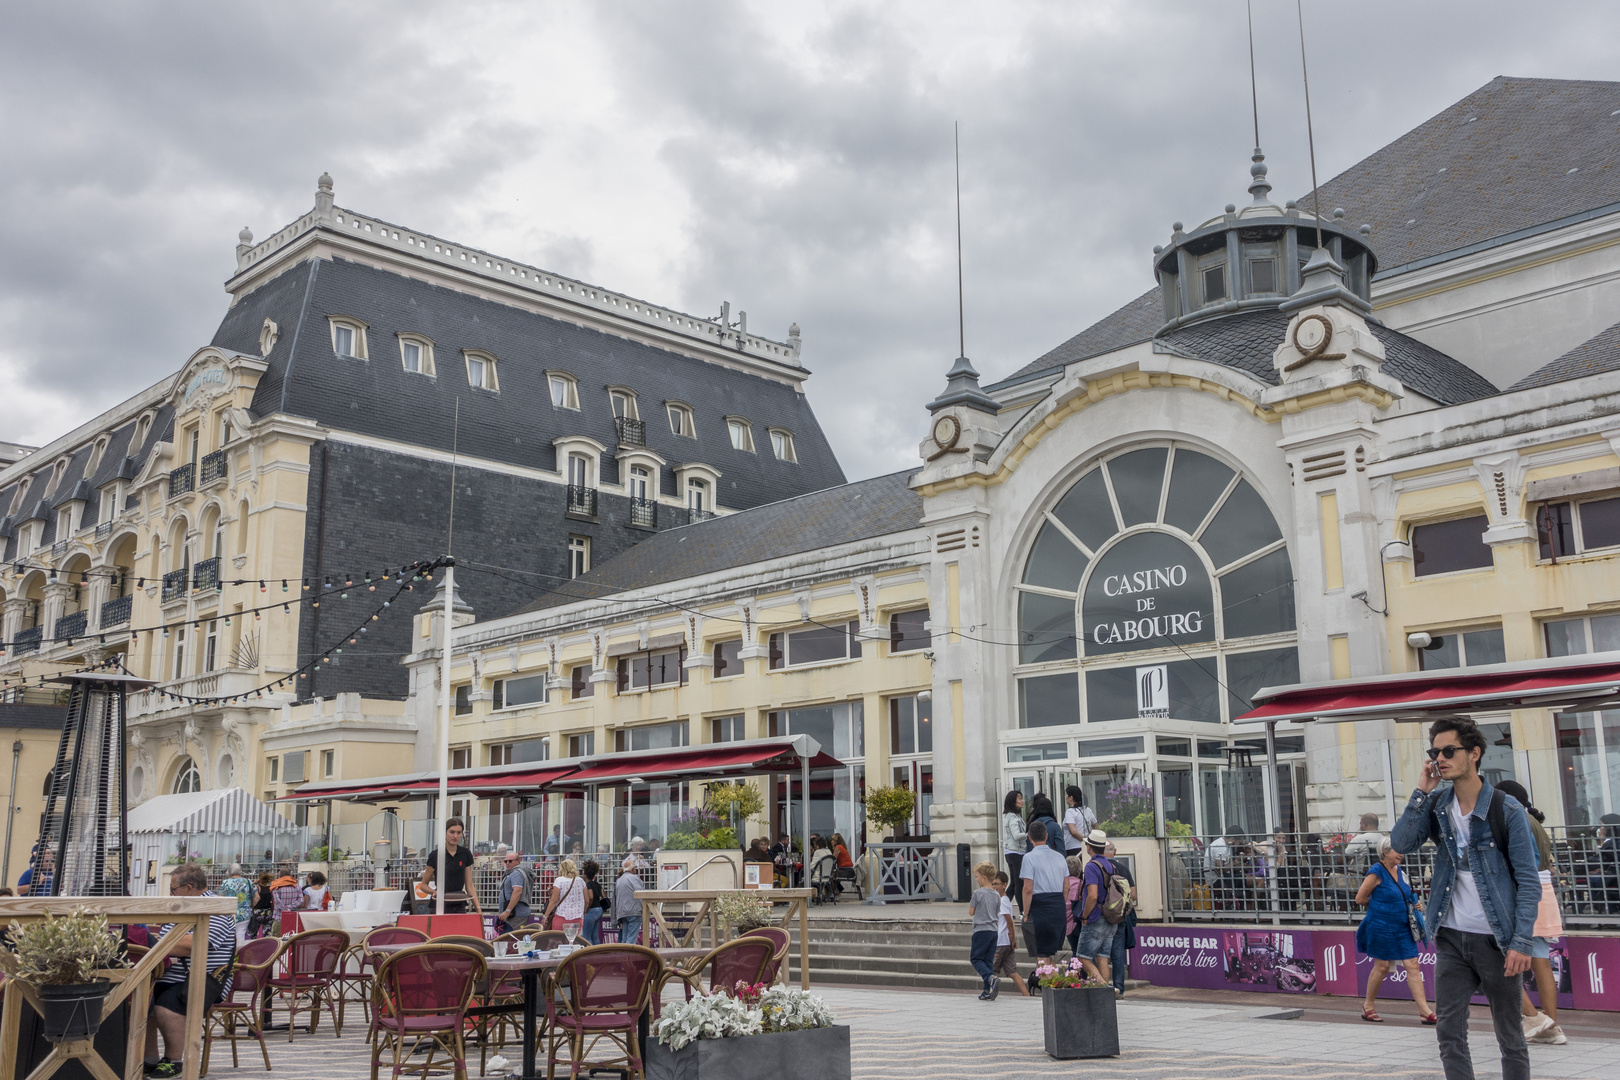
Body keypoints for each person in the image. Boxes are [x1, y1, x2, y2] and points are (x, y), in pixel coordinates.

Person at [1391, 716, 1539, 1080]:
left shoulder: (1506, 810)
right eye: (1435, 751)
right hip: (1452, 937)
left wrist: (1521, 941)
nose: (1440, 758)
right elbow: (1401, 844)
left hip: (1497, 941)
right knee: (1448, 1033)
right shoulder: (1439, 806)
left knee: (1510, 1036)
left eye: (1449, 750)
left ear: (1474, 753)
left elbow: (1528, 881)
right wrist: (1422, 791)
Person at [143, 863, 236, 1079]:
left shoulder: (216, 908)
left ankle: (174, 1061)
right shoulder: (183, 906)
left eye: (173, 889)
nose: (170, 893)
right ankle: (149, 1060)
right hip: (170, 975)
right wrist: (161, 943)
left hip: (203, 979)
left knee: (165, 1006)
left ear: (189, 887)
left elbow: (194, 944)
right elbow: (169, 942)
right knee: (137, 1001)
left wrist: (156, 944)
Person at [1496, 780, 1567, 1046]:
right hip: (1544, 894)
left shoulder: (1515, 819)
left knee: (1504, 957)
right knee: (1541, 961)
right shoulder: (1536, 822)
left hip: (1521, 893)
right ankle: (1551, 1025)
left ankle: (1534, 1019)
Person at [1355, 838, 1435, 1024]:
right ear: (1384, 852)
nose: (1401, 854)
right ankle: (1368, 1006)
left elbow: (1405, 894)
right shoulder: (1376, 872)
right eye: (1396, 851)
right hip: (1381, 926)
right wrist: (1381, 904)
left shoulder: (1400, 871)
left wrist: (1416, 903)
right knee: (1382, 966)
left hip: (1403, 926)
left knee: (1413, 964)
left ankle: (1425, 1011)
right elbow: (1360, 899)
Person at [1019, 821, 1071, 964]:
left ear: (1029, 837)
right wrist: (1061, 903)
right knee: (1048, 955)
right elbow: (1067, 887)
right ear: (1046, 836)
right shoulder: (1060, 857)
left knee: (1041, 956)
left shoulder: (1029, 858)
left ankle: (1049, 986)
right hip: (1058, 906)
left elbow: (1028, 889)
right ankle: (1055, 984)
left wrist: (1025, 913)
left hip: (1039, 908)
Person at [1074, 829, 1117, 989]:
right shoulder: (1109, 864)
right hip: (1110, 917)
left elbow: (1092, 895)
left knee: (1083, 957)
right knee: (1102, 957)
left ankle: (1105, 990)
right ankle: (1106, 993)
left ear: (1089, 847)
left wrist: (1084, 915)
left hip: (1095, 917)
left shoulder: (1092, 866)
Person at [423, 817, 479, 914]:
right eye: (452, 832)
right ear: (445, 833)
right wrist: (433, 892)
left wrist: (478, 909)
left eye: (459, 833)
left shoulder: (465, 854)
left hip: (459, 903)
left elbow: (469, 885)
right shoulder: (435, 855)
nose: (455, 836)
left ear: (462, 834)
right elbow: (423, 885)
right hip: (439, 904)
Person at [1103, 842, 1137, 997]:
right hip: (1120, 916)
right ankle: (1119, 989)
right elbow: (1134, 895)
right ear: (1114, 852)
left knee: (1101, 953)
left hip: (1102, 916)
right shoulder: (1123, 869)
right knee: (1117, 954)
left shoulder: (1097, 867)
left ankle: (1102, 987)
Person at [991, 871, 1029, 997]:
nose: (994, 887)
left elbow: (1008, 920)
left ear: (1004, 885)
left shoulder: (1002, 901)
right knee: (1012, 971)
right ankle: (1026, 994)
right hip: (1006, 941)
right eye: (993, 884)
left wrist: (1012, 937)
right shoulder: (1004, 900)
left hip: (1001, 941)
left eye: (997, 884)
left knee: (992, 971)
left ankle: (989, 991)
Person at [967, 862, 1000, 1000]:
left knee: (976, 958)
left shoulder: (977, 893)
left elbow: (971, 912)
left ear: (984, 877)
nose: (976, 879)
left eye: (977, 876)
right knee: (988, 961)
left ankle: (989, 978)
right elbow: (997, 911)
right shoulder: (997, 894)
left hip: (981, 930)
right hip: (993, 930)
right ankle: (987, 990)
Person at [542, 857, 585, 934]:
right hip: (578, 916)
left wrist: (545, 916)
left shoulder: (559, 880)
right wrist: (583, 912)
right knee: (574, 941)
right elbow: (587, 899)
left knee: (557, 941)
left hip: (562, 915)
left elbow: (554, 900)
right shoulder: (581, 881)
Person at [1002, 791, 1028, 914]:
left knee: (1013, 883)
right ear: (1013, 801)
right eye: (1019, 798)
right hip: (1016, 852)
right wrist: (1030, 834)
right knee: (1019, 883)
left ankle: (1002, 908)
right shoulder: (1012, 817)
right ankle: (1022, 911)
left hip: (1012, 852)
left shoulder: (1012, 816)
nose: (1022, 801)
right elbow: (1017, 835)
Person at [495, 850, 531, 934]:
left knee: (513, 941)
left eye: (510, 861)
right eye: (505, 861)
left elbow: (518, 891)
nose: (507, 863)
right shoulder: (512, 873)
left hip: (516, 915)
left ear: (518, 861)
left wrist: (507, 911)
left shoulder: (516, 873)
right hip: (514, 914)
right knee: (511, 941)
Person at [218, 863, 253, 944]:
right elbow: (257, 897)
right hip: (244, 915)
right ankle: (239, 954)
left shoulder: (225, 883)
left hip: (228, 914)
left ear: (229, 872)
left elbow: (220, 898)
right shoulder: (248, 882)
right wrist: (248, 904)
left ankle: (230, 953)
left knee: (228, 937)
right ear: (240, 871)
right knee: (240, 936)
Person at [614, 858, 643, 945]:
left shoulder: (619, 880)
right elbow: (641, 894)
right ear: (633, 869)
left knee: (624, 939)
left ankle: (622, 956)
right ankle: (628, 957)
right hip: (634, 911)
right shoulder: (634, 878)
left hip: (622, 913)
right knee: (631, 939)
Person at [1062, 785, 1097, 857]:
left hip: (1072, 847)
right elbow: (1095, 825)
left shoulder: (1070, 812)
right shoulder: (1087, 810)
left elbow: (1073, 832)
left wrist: (1085, 840)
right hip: (1086, 847)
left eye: (1066, 794)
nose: (1065, 797)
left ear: (1071, 797)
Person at [581, 860, 606, 944]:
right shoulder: (597, 884)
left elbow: (590, 897)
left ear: (585, 875)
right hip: (599, 909)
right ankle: (597, 952)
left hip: (591, 910)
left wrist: (586, 909)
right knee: (595, 936)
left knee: (586, 937)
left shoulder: (588, 885)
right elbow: (603, 895)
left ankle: (588, 953)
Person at [247, 871, 275, 938]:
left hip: (258, 912)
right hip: (268, 912)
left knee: (253, 933)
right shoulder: (270, 889)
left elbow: (248, 887)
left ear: (259, 878)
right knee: (267, 933)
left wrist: (254, 882)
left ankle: (252, 946)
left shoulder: (257, 888)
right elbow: (273, 900)